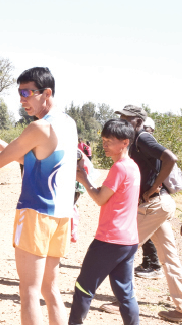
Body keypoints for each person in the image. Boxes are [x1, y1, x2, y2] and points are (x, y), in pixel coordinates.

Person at [0, 67, 77, 325]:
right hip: (62, 215)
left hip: (35, 213)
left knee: (29, 291)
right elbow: (25, 157)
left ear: (47, 93)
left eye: (27, 93)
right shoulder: (67, 123)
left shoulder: (39, 127)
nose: (22, 99)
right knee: (50, 289)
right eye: (19, 93)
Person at [99, 105, 181, 323]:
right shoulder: (134, 141)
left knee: (124, 250)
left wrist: (154, 186)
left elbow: (170, 157)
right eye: (121, 118)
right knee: (168, 256)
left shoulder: (142, 138)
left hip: (154, 204)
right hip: (160, 206)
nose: (123, 122)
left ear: (137, 121)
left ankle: (123, 301)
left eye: (126, 119)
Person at [69, 119, 140, 325]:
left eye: (110, 140)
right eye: (103, 140)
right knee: (125, 293)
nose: (105, 144)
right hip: (128, 241)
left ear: (125, 142)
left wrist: (84, 180)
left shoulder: (119, 168)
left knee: (84, 287)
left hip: (109, 240)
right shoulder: (132, 166)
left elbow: (100, 198)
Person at [134, 116, 164, 279]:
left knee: (145, 230)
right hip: (149, 195)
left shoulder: (147, 143)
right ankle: (149, 263)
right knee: (156, 235)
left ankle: (153, 265)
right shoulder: (149, 145)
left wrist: (153, 187)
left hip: (149, 196)